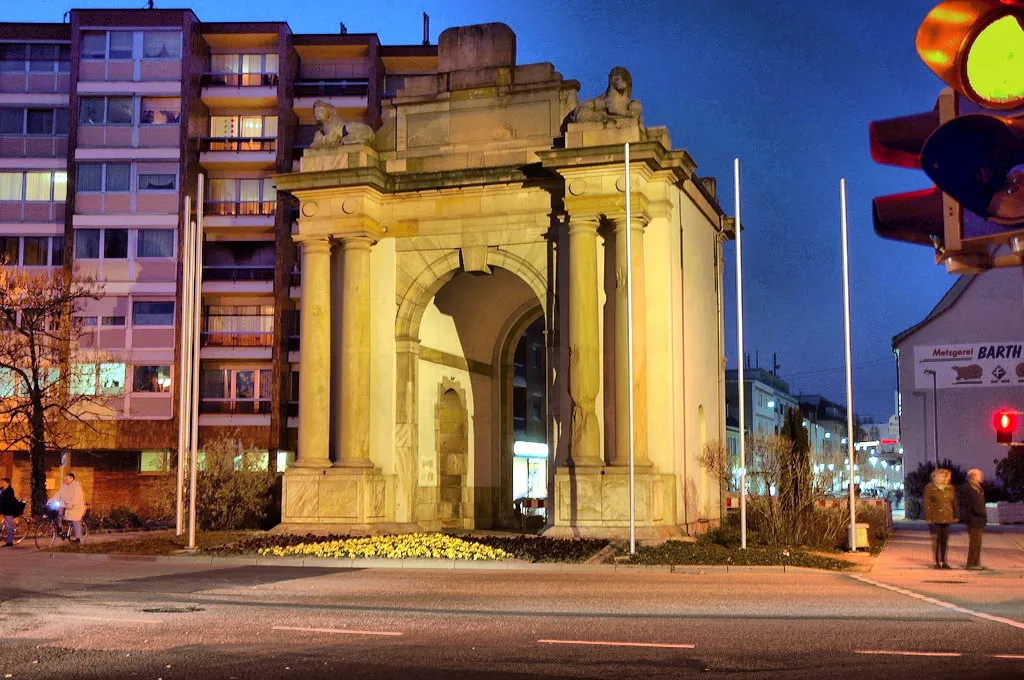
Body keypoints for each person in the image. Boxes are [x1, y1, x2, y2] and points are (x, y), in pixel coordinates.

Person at [924, 468, 957, 569]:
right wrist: (928, 516)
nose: (942, 478)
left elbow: (954, 502)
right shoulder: (930, 488)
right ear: (935, 477)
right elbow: (927, 503)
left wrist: (955, 515)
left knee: (945, 540)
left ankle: (944, 561)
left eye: (943, 476)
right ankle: (937, 562)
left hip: (947, 517)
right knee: (937, 540)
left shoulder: (950, 488)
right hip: (935, 517)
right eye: (940, 476)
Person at [48, 472, 85, 544]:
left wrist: (71, 504)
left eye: (66, 478)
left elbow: (76, 497)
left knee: (75, 520)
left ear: (71, 478)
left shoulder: (76, 487)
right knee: (58, 513)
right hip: (66, 505)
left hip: (76, 507)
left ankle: (78, 539)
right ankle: (60, 529)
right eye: (65, 478)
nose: (65, 479)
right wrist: (50, 501)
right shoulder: (64, 486)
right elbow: (58, 494)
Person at [963, 468, 987, 570]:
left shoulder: (977, 487)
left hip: (979, 519)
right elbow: (972, 504)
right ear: (973, 477)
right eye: (979, 475)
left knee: (977, 543)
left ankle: (976, 562)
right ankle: (971, 563)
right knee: (974, 542)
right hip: (974, 518)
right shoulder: (968, 487)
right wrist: (981, 512)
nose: (981, 477)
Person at [0, 478, 17, 547]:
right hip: (2, 509)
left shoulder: (10, 490)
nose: (2, 483)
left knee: (9, 526)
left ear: (7, 483)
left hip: (8, 510)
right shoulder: (1, 489)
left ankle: (9, 542)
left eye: (3, 482)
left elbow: (9, 501)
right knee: (6, 525)